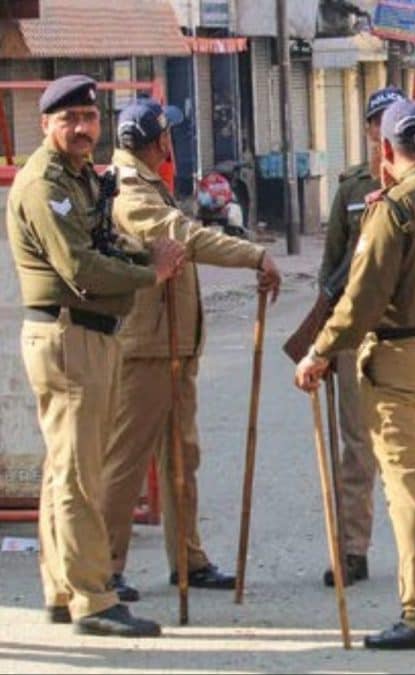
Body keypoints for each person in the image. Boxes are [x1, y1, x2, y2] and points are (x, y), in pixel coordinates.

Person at [295, 99, 415, 650]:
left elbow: (363, 296)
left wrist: (321, 350)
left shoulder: (395, 208)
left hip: (401, 356)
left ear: (385, 149)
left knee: (409, 488)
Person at [5, 75, 186, 637]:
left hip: (90, 334)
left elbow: (103, 244)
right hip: (69, 335)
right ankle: (93, 599)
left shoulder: (83, 178)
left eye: (89, 118)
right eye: (70, 120)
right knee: (83, 475)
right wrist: (149, 273)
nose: (83, 129)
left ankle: (64, 587)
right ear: (46, 125)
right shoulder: (45, 185)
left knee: (69, 468)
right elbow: (80, 268)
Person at [97, 99, 282, 600]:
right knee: (127, 462)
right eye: (168, 137)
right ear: (160, 142)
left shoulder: (149, 184)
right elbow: (187, 238)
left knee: (183, 456)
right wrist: (254, 254)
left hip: (173, 345)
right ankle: (104, 567)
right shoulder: (129, 192)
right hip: (145, 349)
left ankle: (188, 559)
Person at [316, 85, 403, 588]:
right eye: (378, 119)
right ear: (370, 130)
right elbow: (331, 265)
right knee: (356, 445)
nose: (384, 127)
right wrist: (324, 339)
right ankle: (352, 550)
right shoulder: (351, 188)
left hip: (404, 331)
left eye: (394, 117)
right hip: (354, 329)